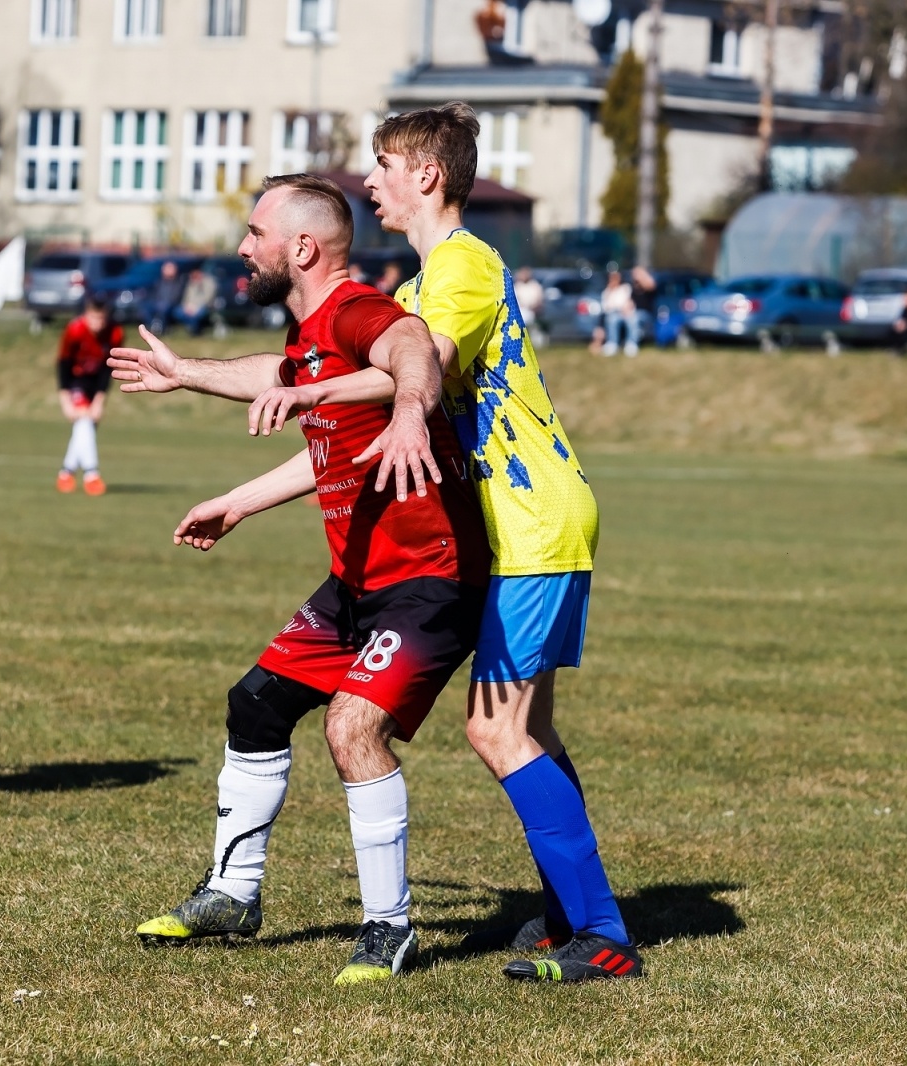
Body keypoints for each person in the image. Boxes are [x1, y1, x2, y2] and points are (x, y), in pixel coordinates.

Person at [248, 101, 642, 985]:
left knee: (495, 730)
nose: (371, 181)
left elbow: (424, 362)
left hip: (532, 521)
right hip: (521, 527)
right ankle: (566, 915)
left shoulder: (459, 268)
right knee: (526, 727)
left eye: (382, 164)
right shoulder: (421, 285)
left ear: (426, 174)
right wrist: (246, 478)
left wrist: (322, 394)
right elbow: (380, 384)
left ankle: (604, 933)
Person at [110, 174, 492, 985]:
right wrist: (217, 453)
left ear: (303, 249)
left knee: (352, 730)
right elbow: (279, 381)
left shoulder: (357, 312)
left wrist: (411, 410)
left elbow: (413, 348)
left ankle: (389, 929)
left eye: (255, 233)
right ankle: (232, 895)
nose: (243, 247)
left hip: (431, 580)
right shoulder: (314, 336)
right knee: (256, 701)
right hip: (356, 583)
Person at [56, 297, 120, 495]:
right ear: (85, 315)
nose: (97, 324)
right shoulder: (74, 330)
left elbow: (107, 369)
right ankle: (91, 475)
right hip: (76, 381)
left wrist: (100, 400)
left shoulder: (115, 333)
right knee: (84, 421)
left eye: (101, 318)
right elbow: (63, 364)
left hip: (95, 384)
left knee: (86, 426)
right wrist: (65, 398)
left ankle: (66, 473)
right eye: (93, 317)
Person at [600, 269, 637, 356]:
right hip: (613, 314)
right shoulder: (606, 292)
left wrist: (624, 308)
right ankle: (612, 344)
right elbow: (606, 307)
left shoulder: (625, 288)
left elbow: (627, 302)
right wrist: (611, 291)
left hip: (626, 313)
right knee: (612, 320)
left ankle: (631, 344)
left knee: (632, 320)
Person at [176, 267, 218, 337]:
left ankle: (195, 331)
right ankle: (191, 328)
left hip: (204, 307)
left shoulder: (209, 282)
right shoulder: (191, 283)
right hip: (190, 307)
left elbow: (208, 298)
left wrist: (195, 307)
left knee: (198, 314)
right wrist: (187, 306)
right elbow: (186, 297)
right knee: (178, 312)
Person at [147, 260, 186, 334]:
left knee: (165, 308)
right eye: (166, 269)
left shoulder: (179, 282)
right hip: (158, 303)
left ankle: (163, 328)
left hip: (171, 304)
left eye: (170, 269)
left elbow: (177, 296)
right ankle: (152, 326)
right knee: (146, 307)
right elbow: (154, 294)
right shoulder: (159, 282)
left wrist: (165, 303)